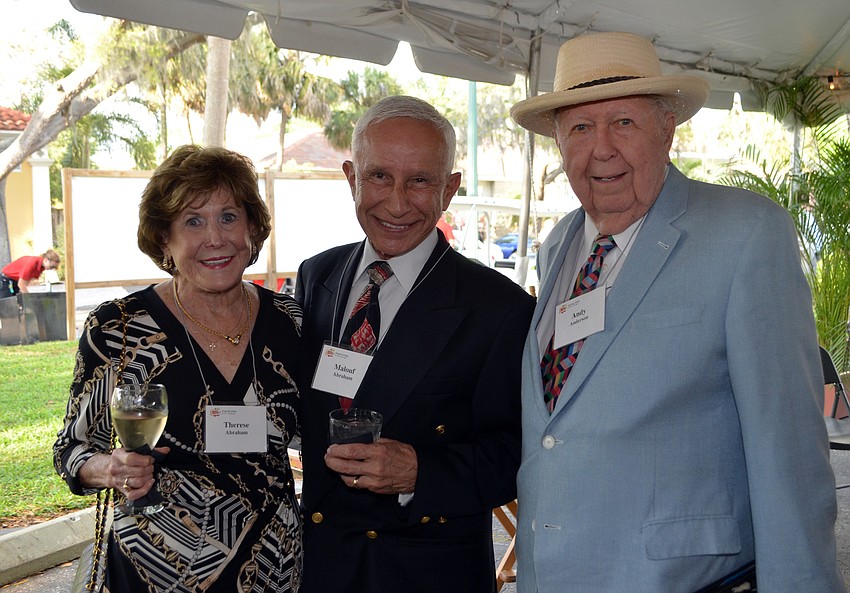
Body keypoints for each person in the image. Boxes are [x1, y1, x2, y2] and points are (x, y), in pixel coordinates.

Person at [509, 31, 846, 593]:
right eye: (580, 128)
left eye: (623, 122)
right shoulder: (559, 244)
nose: (602, 149)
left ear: (667, 129)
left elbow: (788, 455)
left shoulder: (746, 233)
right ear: (559, 143)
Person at [295, 95, 535, 593]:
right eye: (379, 176)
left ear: (449, 189)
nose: (397, 202)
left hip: (425, 573)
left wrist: (419, 472)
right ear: (350, 177)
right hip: (320, 565)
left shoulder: (499, 307)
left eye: (420, 180)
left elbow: (520, 455)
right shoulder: (316, 275)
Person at [53, 145, 303, 593]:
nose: (215, 238)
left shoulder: (290, 321)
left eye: (228, 216)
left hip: (273, 570)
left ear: (251, 228)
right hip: (159, 571)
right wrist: (110, 469)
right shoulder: (119, 328)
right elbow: (71, 449)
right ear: (164, 239)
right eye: (193, 221)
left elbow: (312, 430)